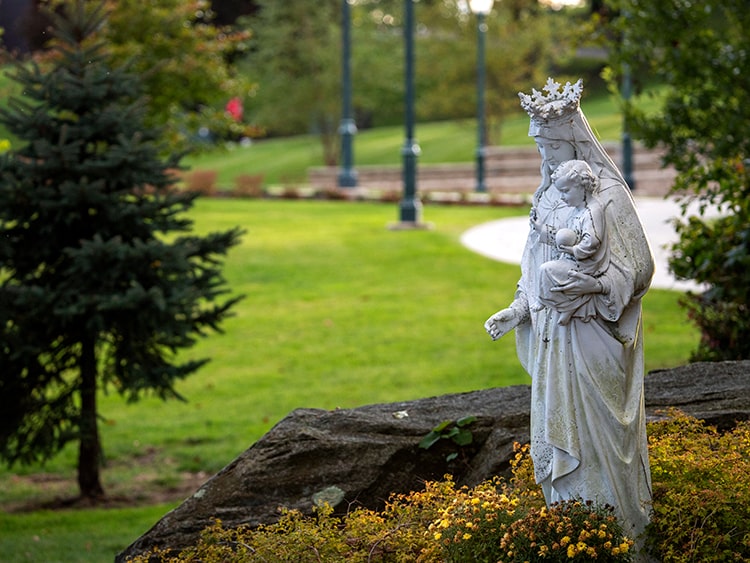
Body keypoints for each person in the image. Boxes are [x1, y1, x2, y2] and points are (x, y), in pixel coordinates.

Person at [484, 78, 655, 548]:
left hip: (595, 331)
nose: (548, 158)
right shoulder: (545, 198)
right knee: (562, 437)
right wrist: (518, 308)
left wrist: (594, 285)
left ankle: (624, 539)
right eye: (542, 147)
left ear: (574, 142)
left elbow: (640, 268)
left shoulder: (609, 197)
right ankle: (575, 537)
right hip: (553, 336)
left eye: (554, 147)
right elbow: (534, 266)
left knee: (605, 441)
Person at [533, 159, 609, 325]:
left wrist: (574, 250)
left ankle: (562, 303)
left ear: (582, 186)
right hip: (572, 259)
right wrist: (541, 229)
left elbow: (593, 241)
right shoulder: (577, 210)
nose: (562, 197)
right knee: (549, 271)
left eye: (565, 191)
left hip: (585, 264)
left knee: (546, 269)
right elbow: (565, 235)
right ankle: (566, 306)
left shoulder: (592, 211)